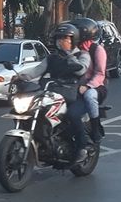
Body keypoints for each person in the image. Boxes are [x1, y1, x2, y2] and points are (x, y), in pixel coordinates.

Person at [37, 23, 91, 162]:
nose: (61, 41)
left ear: (73, 40)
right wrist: (20, 76)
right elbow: (36, 70)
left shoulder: (82, 55)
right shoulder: (52, 58)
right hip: (54, 93)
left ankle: (81, 148)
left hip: (75, 96)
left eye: (65, 38)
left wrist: (69, 56)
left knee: (73, 115)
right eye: (59, 38)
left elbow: (81, 70)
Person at [68, 17, 108, 145]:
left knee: (89, 96)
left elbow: (100, 73)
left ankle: (96, 127)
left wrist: (88, 86)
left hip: (96, 87)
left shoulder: (97, 50)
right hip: (75, 87)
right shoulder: (73, 50)